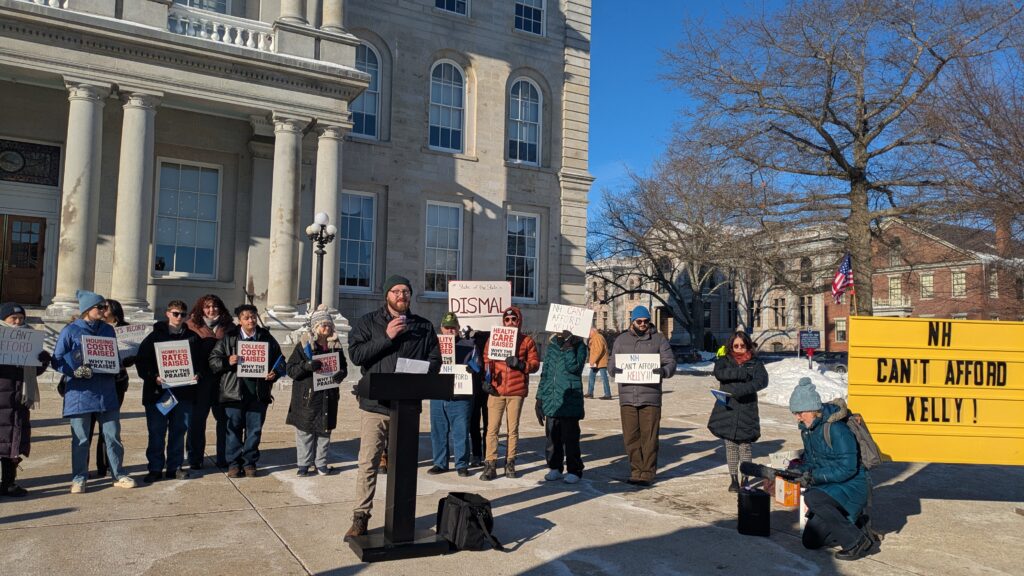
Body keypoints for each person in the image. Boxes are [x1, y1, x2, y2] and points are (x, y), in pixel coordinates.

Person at [345, 275, 441, 539]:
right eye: (397, 291)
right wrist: (387, 338)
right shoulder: (368, 323)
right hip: (375, 406)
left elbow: (435, 359)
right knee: (368, 462)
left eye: (406, 291)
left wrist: (423, 372)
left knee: (405, 465)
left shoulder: (423, 326)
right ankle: (360, 517)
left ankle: (402, 517)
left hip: (407, 408)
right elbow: (356, 356)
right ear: (386, 294)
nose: (402, 295)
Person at [51, 290, 136, 493]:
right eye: (101, 307)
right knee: (81, 438)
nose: (105, 310)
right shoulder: (70, 331)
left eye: (105, 307)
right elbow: (56, 359)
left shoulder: (108, 330)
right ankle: (79, 477)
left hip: (106, 391)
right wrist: (73, 370)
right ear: (88, 310)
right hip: (79, 392)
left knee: (113, 435)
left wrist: (120, 363)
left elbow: (112, 355)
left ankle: (118, 473)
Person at [789, 378, 876, 561]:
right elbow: (811, 462)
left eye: (800, 412)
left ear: (813, 410)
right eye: (795, 413)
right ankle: (858, 525)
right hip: (831, 486)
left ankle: (857, 542)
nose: (797, 417)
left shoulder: (836, 429)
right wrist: (796, 472)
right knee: (810, 542)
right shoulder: (809, 431)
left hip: (853, 484)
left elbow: (848, 468)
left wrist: (812, 477)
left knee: (813, 497)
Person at [208, 304, 282, 478]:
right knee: (232, 430)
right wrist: (228, 361)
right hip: (233, 393)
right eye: (247, 318)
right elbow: (213, 361)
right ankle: (234, 463)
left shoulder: (265, 337)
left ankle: (249, 462)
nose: (251, 320)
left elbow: (280, 360)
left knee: (254, 431)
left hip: (258, 394)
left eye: (253, 316)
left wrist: (275, 372)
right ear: (239, 321)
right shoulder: (229, 338)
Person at [607, 305, 675, 487]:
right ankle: (636, 470)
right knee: (631, 437)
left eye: (646, 321)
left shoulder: (659, 339)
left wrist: (663, 371)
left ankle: (648, 472)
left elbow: (671, 362)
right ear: (633, 321)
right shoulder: (621, 340)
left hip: (650, 396)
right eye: (639, 321)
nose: (643, 324)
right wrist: (615, 370)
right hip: (628, 396)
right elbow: (611, 364)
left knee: (649, 437)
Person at [135, 299, 202, 482]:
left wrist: (197, 375)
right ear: (167, 313)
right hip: (158, 394)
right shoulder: (154, 337)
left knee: (178, 432)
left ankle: (175, 467)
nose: (179, 317)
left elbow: (201, 363)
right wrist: (154, 377)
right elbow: (142, 363)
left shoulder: (192, 338)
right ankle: (155, 468)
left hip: (183, 394)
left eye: (182, 314)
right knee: (156, 432)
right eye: (175, 313)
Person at [285, 305, 348, 476]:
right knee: (305, 431)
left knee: (324, 432)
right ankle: (303, 465)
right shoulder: (304, 345)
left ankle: (321, 464)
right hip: (307, 396)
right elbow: (290, 369)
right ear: (315, 327)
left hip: (329, 396)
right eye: (322, 325)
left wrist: (340, 374)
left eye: (328, 325)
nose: (326, 328)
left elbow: (344, 367)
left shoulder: (335, 346)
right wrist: (306, 366)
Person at [480, 306, 540, 481]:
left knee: (512, 429)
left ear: (519, 321)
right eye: (507, 320)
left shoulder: (526, 341)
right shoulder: (494, 339)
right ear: (503, 321)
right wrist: (486, 380)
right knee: (492, 429)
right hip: (496, 391)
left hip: (516, 391)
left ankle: (510, 462)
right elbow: (486, 361)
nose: (510, 323)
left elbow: (535, 364)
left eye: (514, 319)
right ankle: (490, 464)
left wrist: (522, 365)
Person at [708, 330, 768, 492]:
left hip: (747, 408)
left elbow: (762, 381)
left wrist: (744, 389)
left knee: (745, 446)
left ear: (747, 345)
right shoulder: (724, 360)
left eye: (742, 345)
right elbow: (720, 374)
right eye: (736, 345)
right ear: (731, 346)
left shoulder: (755, 362)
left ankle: (745, 479)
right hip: (727, 408)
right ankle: (733, 478)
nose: (739, 348)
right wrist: (741, 373)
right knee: (730, 445)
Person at [0, 303, 50, 497]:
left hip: (20, 398)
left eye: (21, 318)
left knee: (13, 441)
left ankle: (9, 482)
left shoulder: (29, 338)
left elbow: (33, 372)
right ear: (4, 319)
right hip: (3, 396)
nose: (18, 321)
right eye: (14, 318)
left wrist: (42, 361)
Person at [185, 294, 234, 469]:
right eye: (207, 307)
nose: (211, 310)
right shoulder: (190, 326)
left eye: (214, 306)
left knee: (225, 421)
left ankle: (225, 457)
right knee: (197, 421)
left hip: (223, 380)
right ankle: (195, 457)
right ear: (201, 308)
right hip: (200, 381)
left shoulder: (229, 327)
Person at [428, 312, 478, 477]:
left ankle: (461, 464)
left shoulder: (469, 345)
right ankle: (440, 463)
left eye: (453, 328)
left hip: (460, 396)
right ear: (442, 328)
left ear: (458, 329)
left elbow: (478, 366)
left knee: (461, 431)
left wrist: (472, 367)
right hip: (438, 394)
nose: (450, 331)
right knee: (438, 430)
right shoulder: (434, 345)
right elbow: (428, 365)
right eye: (447, 328)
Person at [536, 330, 588, 484]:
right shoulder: (552, 346)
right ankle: (555, 467)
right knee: (552, 436)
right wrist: (539, 398)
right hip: (552, 398)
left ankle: (574, 470)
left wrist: (569, 346)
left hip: (569, 399)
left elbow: (574, 368)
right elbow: (545, 374)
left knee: (570, 438)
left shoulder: (579, 346)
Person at [94, 299, 133, 479]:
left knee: (109, 426)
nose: (102, 310)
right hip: (96, 380)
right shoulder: (96, 327)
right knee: (89, 426)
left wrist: (131, 358)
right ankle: (92, 467)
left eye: (105, 307)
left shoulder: (126, 329)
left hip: (117, 381)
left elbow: (134, 354)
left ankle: (109, 464)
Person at [585, 326, 611, 399]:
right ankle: (590, 393)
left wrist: (593, 361)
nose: (588, 334)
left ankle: (608, 394)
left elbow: (598, 350)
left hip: (600, 361)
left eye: (589, 332)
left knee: (604, 378)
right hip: (597, 362)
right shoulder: (595, 337)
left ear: (593, 331)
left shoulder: (597, 337)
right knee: (591, 376)